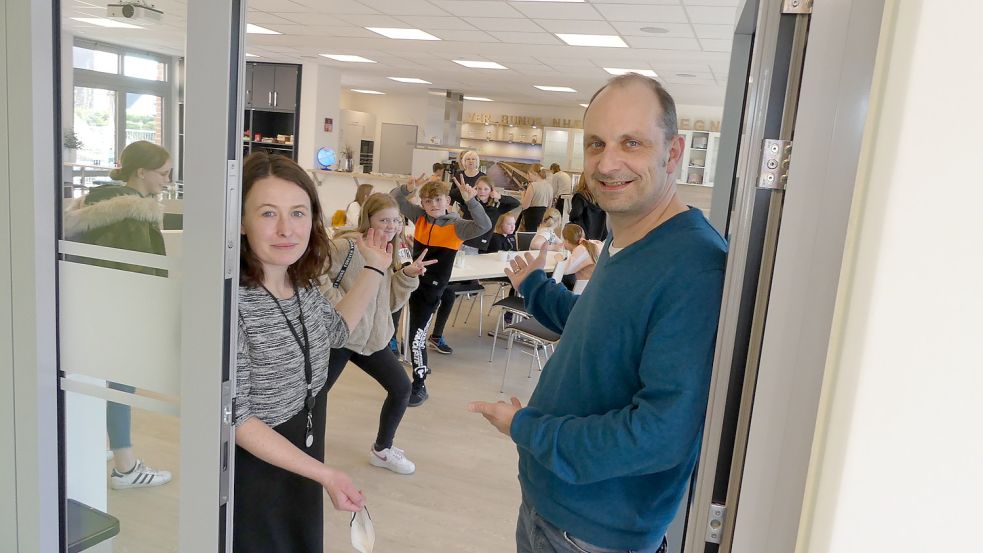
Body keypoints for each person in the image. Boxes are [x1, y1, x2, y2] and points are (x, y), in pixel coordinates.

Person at [469, 74, 728, 553]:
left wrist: (530, 429)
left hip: (592, 534)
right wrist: (537, 289)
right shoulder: (625, 234)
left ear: (673, 152)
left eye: (632, 143)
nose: (607, 164)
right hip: (551, 508)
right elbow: (596, 327)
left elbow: (659, 435)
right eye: (596, 144)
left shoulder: (696, 266)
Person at [234, 152, 392, 553]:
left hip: (304, 449)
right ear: (240, 221)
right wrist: (325, 474)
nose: (287, 228)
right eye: (268, 213)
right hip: (256, 469)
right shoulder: (231, 303)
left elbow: (337, 331)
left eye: (299, 213)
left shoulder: (299, 284)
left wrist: (374, 268)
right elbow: (235, 418)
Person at [63, 140, 173, 490]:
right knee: (121, 386)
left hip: (90, 308)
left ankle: (98, 447)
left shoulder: (95, 204)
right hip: (121, 313)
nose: (167, 181)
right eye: (163, 173)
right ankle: (126, 467)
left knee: (102, 384)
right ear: (140, 171)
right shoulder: (134, 217)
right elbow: (139, 276)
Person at [321, 193, 436, 475]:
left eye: (396, 220)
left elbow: (390, 304)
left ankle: (382, 451)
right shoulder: (344, 246)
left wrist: (407, 275)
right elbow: (316, 277)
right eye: (384, 220)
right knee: (315, 396)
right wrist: (340, 305)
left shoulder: (390, 251)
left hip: (371, 339)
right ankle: (304, 451)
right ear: (368, 219)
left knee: (401, 388)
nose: (392, 226)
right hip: (341, 336)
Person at [391, 175, 491, 406]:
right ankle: (411, 365)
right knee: (404, 331)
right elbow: (396, 199)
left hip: (431, 289)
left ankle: (420, 385)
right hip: (409, 280)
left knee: (416, 339)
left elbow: (484, 226)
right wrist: (408, 188)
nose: (433, 204)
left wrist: (471, 201)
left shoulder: (457, 226)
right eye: (427, 201)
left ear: (447, 201)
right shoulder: (420, 218)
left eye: (437, 199)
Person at [463, 175, 520, 253]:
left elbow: (516, 203)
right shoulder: (470, 202)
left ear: (491, 190)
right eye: (479, 188)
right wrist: (469, 195)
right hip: (467, 244)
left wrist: (500, 197)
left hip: (483, 246)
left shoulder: (496, 207)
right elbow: (453, 195)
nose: (482, 191)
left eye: (486, 189)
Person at [554, 223, 602, 295]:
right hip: (596, 287)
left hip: (584, 291)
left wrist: (559, 258)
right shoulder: (592, 244)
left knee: (557, 281)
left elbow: (565, 270)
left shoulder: (582, 249)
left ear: (566, 241)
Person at [568, 177, 608, 241]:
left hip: (583, 233)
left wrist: (571, 215)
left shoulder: (580, 196)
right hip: (599, 233)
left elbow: (576, 214)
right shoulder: (601, 196)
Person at [518, 163, 554, 231]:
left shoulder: (533, 186)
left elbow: (525, 206)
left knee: (529, 238)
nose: (528, 177)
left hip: (531, 217)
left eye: (529, 174)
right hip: (543, 217)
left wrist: (523, 195)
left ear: (534, 173)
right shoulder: (550, 187)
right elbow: (549, 207)